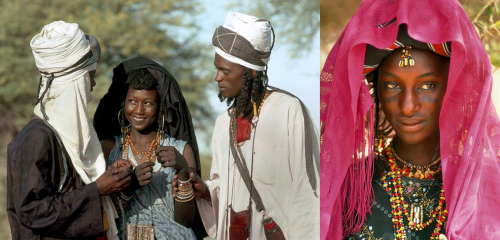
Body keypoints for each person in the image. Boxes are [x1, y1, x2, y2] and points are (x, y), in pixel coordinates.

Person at [320, 0, 500, 239]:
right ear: (376, 91)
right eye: (392, 85)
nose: (407, 106)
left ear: (452, 89)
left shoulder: (484, 189)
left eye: (427, 86)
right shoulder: (348, 189)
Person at [172, 12, 320, 239]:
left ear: (250, 73)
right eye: (217, 69)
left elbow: (307, 192)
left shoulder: (288, 110)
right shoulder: (223, 123)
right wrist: (205, 191)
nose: (217, 78)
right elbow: (226, 190)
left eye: (225, 71)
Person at [6, 21, 131, 239]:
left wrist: (109, 176)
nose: (92, 87)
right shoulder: (36, 138)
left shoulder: (62, 135)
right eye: (89, 78)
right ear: (75, 83)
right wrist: (97, 189)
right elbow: (33, 213)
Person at [93, 57, 202, 240]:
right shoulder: (109, 149)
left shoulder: (181, 150)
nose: (139, 110)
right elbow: (99, 210)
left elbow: (185, 220)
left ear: (159, 108)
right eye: (132, 101)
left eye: (148, 103)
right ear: (123, 104)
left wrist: (183, 171)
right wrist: (129, 185)